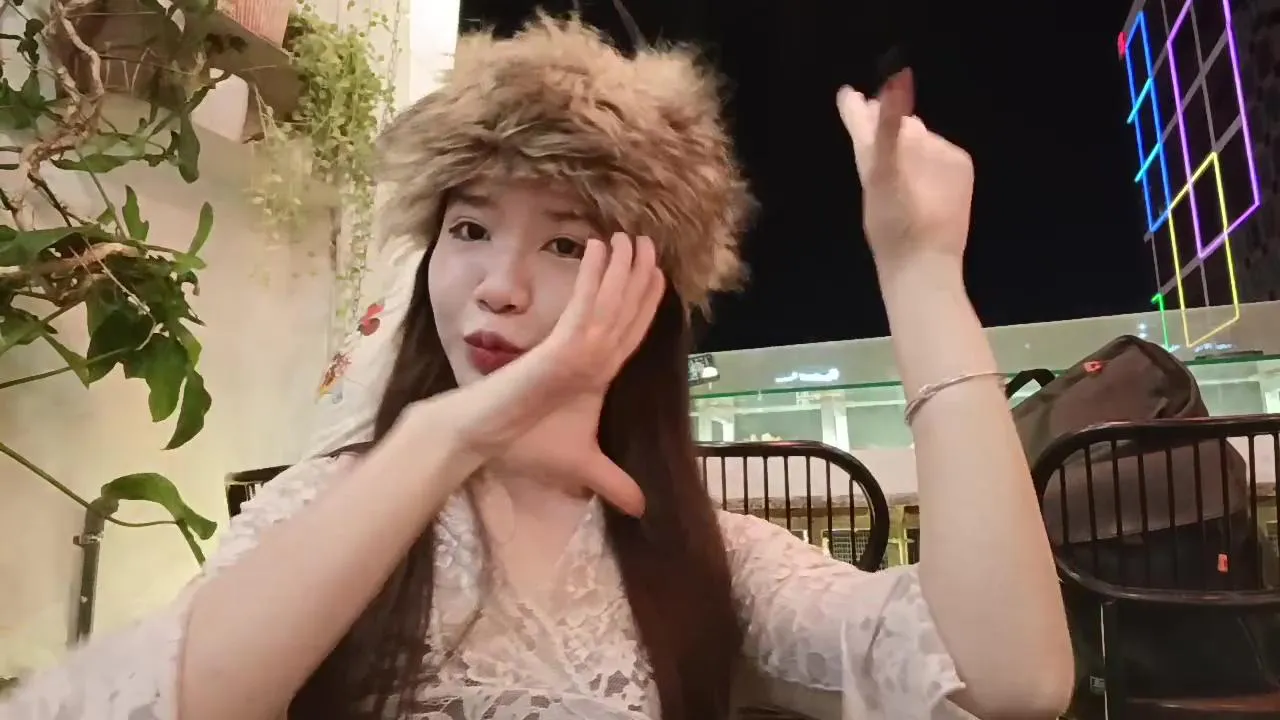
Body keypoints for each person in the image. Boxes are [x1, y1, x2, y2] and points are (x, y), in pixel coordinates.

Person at [0, 16, 1073, 720]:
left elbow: (1010, 678)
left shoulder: (698, 554)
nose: (499, 287)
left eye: (564, 243)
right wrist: (440, 437)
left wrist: (922, 274)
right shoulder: (332, 510)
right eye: (469, 229)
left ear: (648, 290)